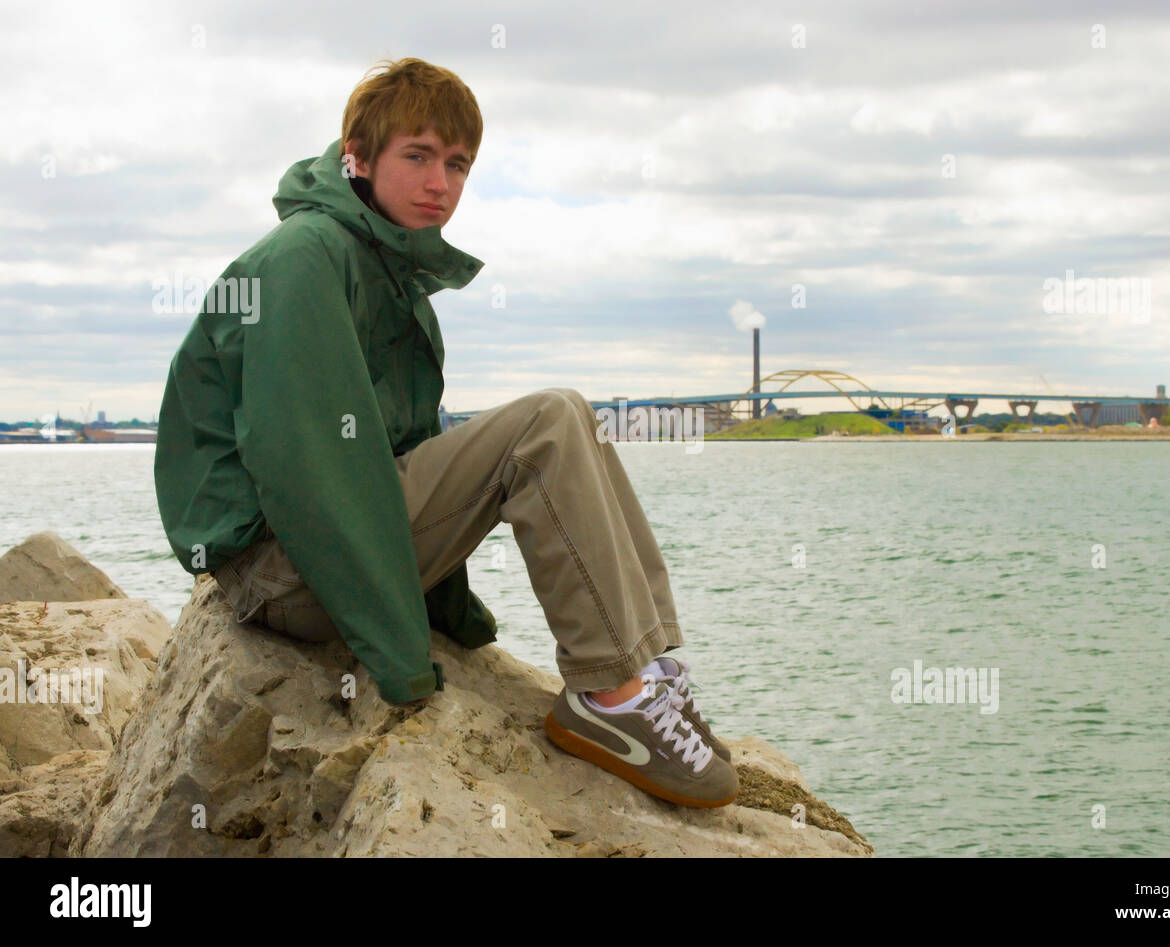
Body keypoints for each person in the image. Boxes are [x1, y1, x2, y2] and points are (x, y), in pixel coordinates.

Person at [153, 57, 736, 808]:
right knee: (548, 421)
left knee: (572, 419)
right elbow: (309, 471)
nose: (441, 184)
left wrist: (449, 617)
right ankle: (611, 700)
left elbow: (400, 454)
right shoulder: (304, 261)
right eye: (418, 157)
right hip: (282, 571)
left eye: (458, 164)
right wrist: (404, 665)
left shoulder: (382, 269)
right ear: (355, 157)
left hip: (306, 558)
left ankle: (644, 674)